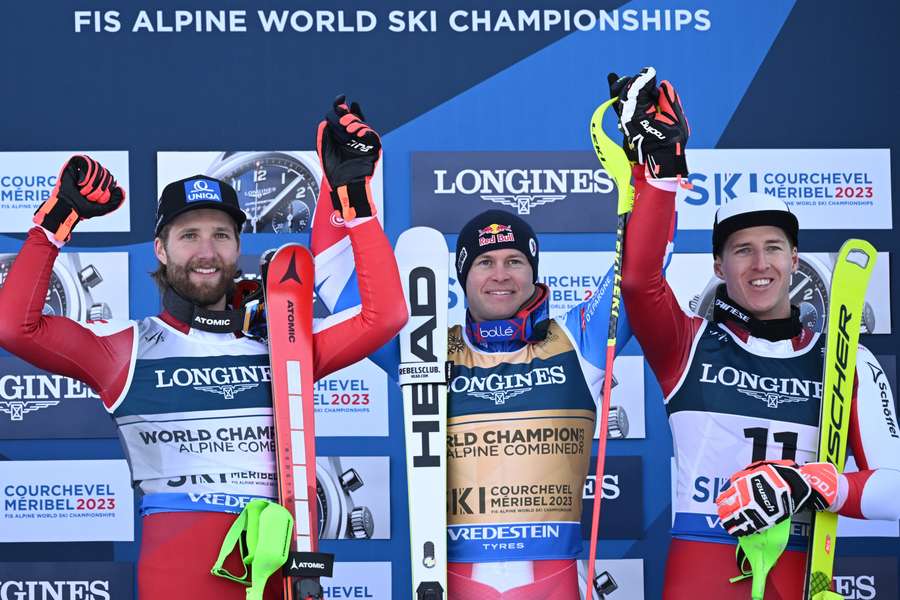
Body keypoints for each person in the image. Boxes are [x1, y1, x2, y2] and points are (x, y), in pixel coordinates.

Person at [0, 98, 407, 599]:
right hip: (181, 569)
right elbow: (16, 328)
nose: (207, 252)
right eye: (188, 235)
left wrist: (354, 201)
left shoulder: (284, 342)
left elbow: (384, 315)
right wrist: (56, 222)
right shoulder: (126, 350)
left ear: (238, 248)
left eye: (221, 235)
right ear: (161, 249)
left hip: (280, 564)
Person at [616, 67, 900, 598]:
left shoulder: (846, 360)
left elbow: (897, 489)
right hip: (703, 568)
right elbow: (637, 282)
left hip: (797, 570)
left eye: (773, 247)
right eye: (742, 250)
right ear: (720, 267)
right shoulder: (688, 343)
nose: (759, 263)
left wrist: (809, 481)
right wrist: (657, 176)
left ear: (795, 260)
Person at [313, 196, 655, 598]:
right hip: (452, 582)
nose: (501, 275)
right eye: (484, 262)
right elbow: (335, 277)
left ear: (533, 272)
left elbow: (640, 270)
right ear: (462, 278)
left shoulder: (578, 341)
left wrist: (656, 178)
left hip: (557, 582)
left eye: (514, 261)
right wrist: (344, 191)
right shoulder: (426, 350)